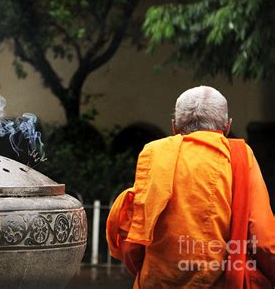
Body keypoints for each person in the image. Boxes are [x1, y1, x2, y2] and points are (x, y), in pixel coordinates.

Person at [106, 86, 274, 288]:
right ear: (227, 127)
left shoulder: (156, 154)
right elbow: (263, 240)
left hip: (157, 282)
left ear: (174, 127)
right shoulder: (240, 156)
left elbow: (135, 233)